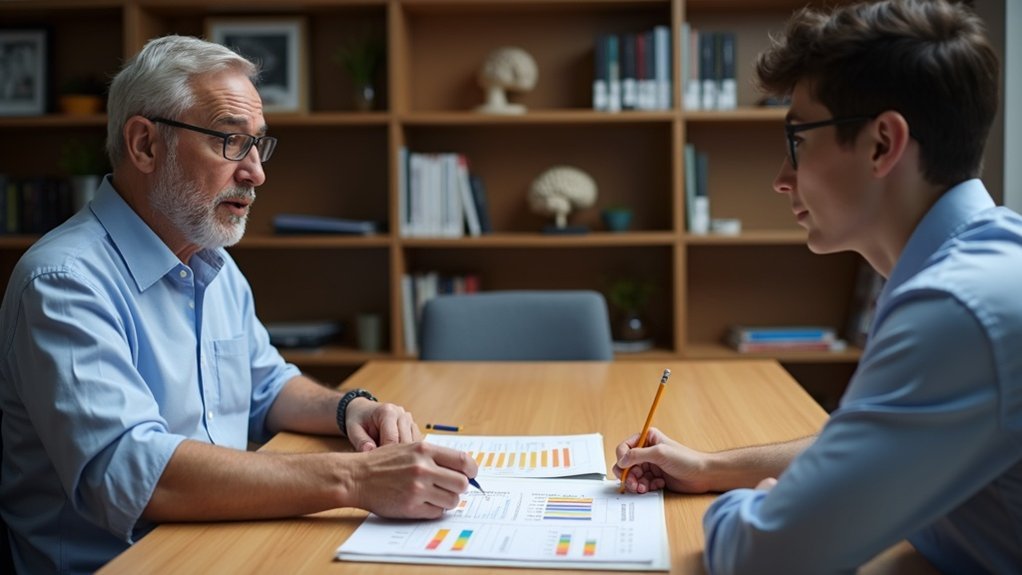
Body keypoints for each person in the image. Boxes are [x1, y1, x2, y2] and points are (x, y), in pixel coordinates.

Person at [0, 35, 477, 574]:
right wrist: (356, 478)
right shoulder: (63, 282)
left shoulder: (212, 261)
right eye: (230, 141)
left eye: (258, 145)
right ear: (145, 145)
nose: (256, 172)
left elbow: (266, 386)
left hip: (220, 543)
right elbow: (132, 472)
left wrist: (352, 409)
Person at [614, 0, 1021, 573]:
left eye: (797, 140)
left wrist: (754, 507)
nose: (782, 180)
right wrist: (709, 469)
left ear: (883, 143)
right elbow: (869, 443)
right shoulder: (977, 266)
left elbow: (764, 558)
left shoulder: (956, 310)